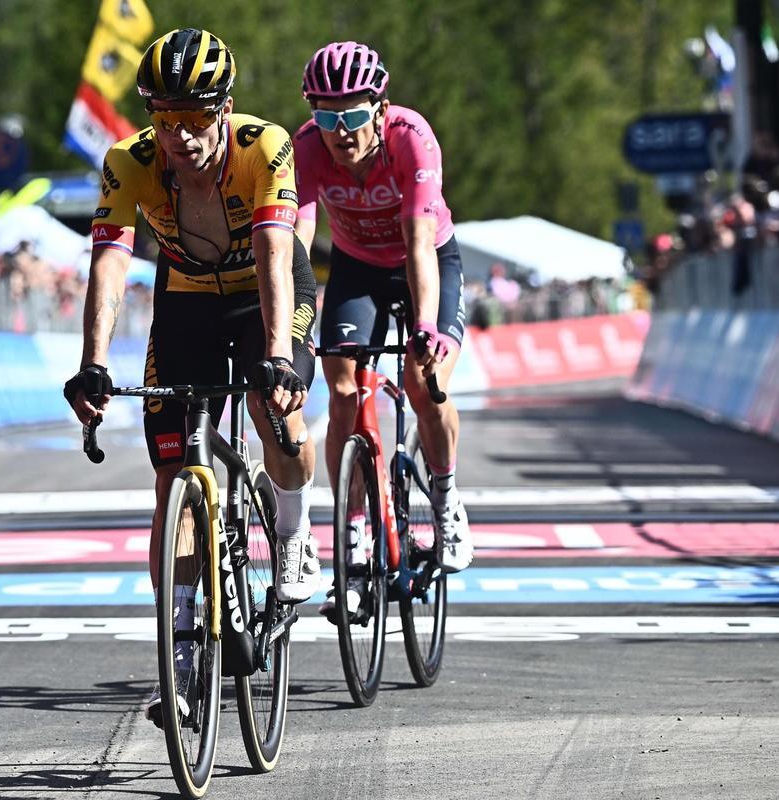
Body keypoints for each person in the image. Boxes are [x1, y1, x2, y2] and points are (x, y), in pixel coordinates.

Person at [63, 28, 322, 724]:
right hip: (186, 298)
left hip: (264, 291)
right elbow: (110, 262)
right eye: (164, 117)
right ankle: (178, 658)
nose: (179, 135)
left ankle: (296, 536)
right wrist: (92, 362)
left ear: (225, 108)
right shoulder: (131, 159)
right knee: (172, 478)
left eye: (195, 118)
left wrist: (275, 357)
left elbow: (275, 254)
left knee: (279, 417)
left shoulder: (263, 146)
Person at [292, 41, 473, 618]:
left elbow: (420, 244)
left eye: (351, 114)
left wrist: (425, 326)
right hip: (357, 269)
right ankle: (349, 538)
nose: (339, 130)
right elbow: (295, 238)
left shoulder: (410, 138)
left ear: (380, 106)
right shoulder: (306, 150)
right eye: (325, 115)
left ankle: (445, 500)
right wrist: (290, 315)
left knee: (424, 384)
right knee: (342, 389)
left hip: (426, 258)